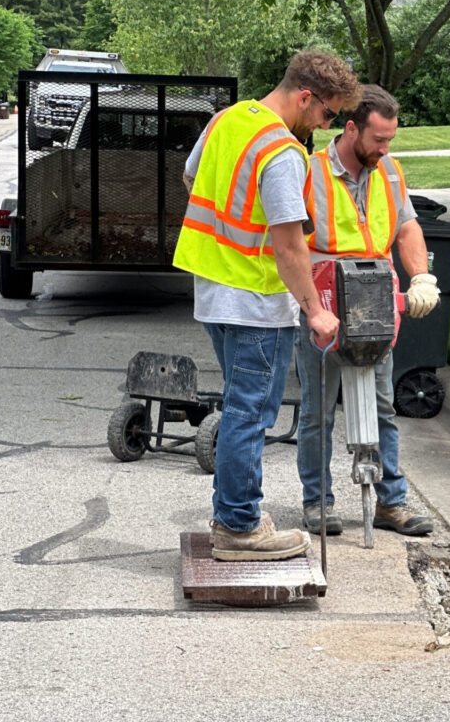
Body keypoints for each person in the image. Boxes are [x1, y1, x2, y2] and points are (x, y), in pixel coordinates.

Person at [173, 52, 362, 561]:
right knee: (249, 414)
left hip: (214, 292)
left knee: (240, 406)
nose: (325, 126)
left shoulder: (225, 120)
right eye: (326, 115)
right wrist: (316, 309)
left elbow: (191, 179)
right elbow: (288, 246)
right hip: (256, 302)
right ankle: (239, 527)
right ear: (306, 97)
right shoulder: (281, 152)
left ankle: (235, 515)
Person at [294, 84, 439, 538]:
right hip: (324, 299)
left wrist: (422, 277)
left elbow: (407, 227)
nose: (385, 148)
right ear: (351, 127)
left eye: (390, 139)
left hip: (374, 301)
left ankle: (390, 503)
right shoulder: (309, 171)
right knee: (318, 411)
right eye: (378, 139)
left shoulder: (390, 172)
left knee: (381, 407)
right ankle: (318, 502)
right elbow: (289, 240)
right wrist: (307, 303)